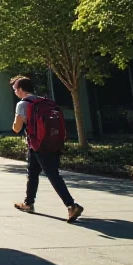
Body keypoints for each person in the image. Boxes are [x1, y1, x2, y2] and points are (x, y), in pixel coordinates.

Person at [11, 76, 84, 223]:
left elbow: (17, 128)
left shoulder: (23, 104)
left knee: (52, 174)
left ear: (20, 89)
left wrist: (16, 123)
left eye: (14, 89)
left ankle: (71, 205)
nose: (14, 92)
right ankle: (28, 203)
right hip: (50, 142)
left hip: (39, 144)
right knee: (32, 172)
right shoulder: (45, 101)